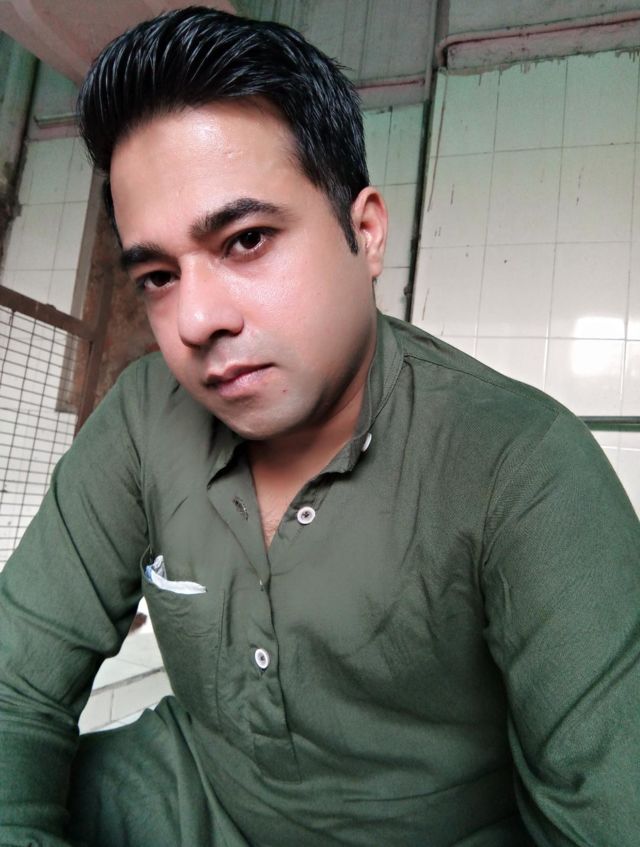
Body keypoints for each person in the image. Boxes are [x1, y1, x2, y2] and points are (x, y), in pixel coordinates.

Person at [0, 7, 638, 846]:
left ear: (364, 233)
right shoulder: (143, 415)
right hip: (194, 796)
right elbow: (15, 687)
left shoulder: (524, 466)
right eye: (157, 275)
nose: (194, 320)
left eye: (246, 239)